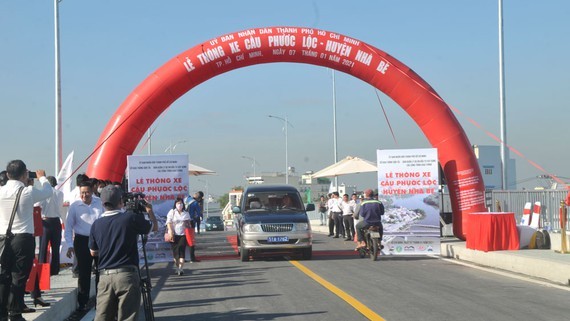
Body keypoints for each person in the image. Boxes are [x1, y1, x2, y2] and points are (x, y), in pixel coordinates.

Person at [89, 185, 157, 321]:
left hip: (105, 278)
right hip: (127, 276)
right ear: (121, 201)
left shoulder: (96, 224)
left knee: (102, 317)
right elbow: (154, 227)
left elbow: (93, 252)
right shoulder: (130, 218)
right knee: (127, 317)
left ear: (103, 203)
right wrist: (149, 211)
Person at [0, 160, 52, 321]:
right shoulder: (28, 192)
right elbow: (47, 191)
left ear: (8, 175)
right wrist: (42, 177)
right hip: (23, 239)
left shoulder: (1, 191)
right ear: (24, 174)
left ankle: (1, 313)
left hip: (2, 239)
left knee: (4, 276)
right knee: (19, 277)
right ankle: (15, 313)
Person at [64, 180, 104, 311]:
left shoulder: (99, 202)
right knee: (84, 273)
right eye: (82, 193)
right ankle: (82, 302)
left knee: (101, 272)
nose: (84, 195)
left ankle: (101, 301)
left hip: (99, 241)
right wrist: (70, 245)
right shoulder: (75, 206)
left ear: (92, 191)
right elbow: (68, 227)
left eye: (87, 192)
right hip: (81, 241)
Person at [165, 198, 191, 275]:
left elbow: (188, 225)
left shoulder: (186, 213)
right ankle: (177, 267)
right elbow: (168, 222)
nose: (180, 205)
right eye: (178, 203)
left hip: (183, 235)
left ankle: (180, 268)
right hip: (173, 235)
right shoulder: (172, 212)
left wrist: (187, 223)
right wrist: (170, 232)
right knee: (176, 252)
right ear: (175, 204)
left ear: (183, 204)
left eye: (181, 203)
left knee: (182, 250)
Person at [186, 193, 201, 262]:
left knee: (183, 240)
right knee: (191, 241)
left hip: (181, 222)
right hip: (190, 223)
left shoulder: (186, 199)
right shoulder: (195, 203)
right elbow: (198, 214)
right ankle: (192, 258)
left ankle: (183, 257)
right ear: (199, 198)